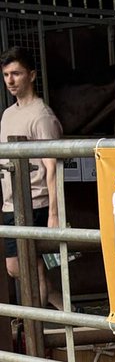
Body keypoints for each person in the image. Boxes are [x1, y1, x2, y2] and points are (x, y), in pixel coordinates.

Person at [1, 46, 63, 306]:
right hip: (11, 202)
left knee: (29, 265)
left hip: (35, 202)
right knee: (15, 267)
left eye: (16, 73)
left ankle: (37, 326)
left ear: (32, 75)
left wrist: (54, 213)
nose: (10, 81)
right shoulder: (8, 114)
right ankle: (65, 307)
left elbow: (53, 165)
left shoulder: (42, 115)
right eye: (6, 75)